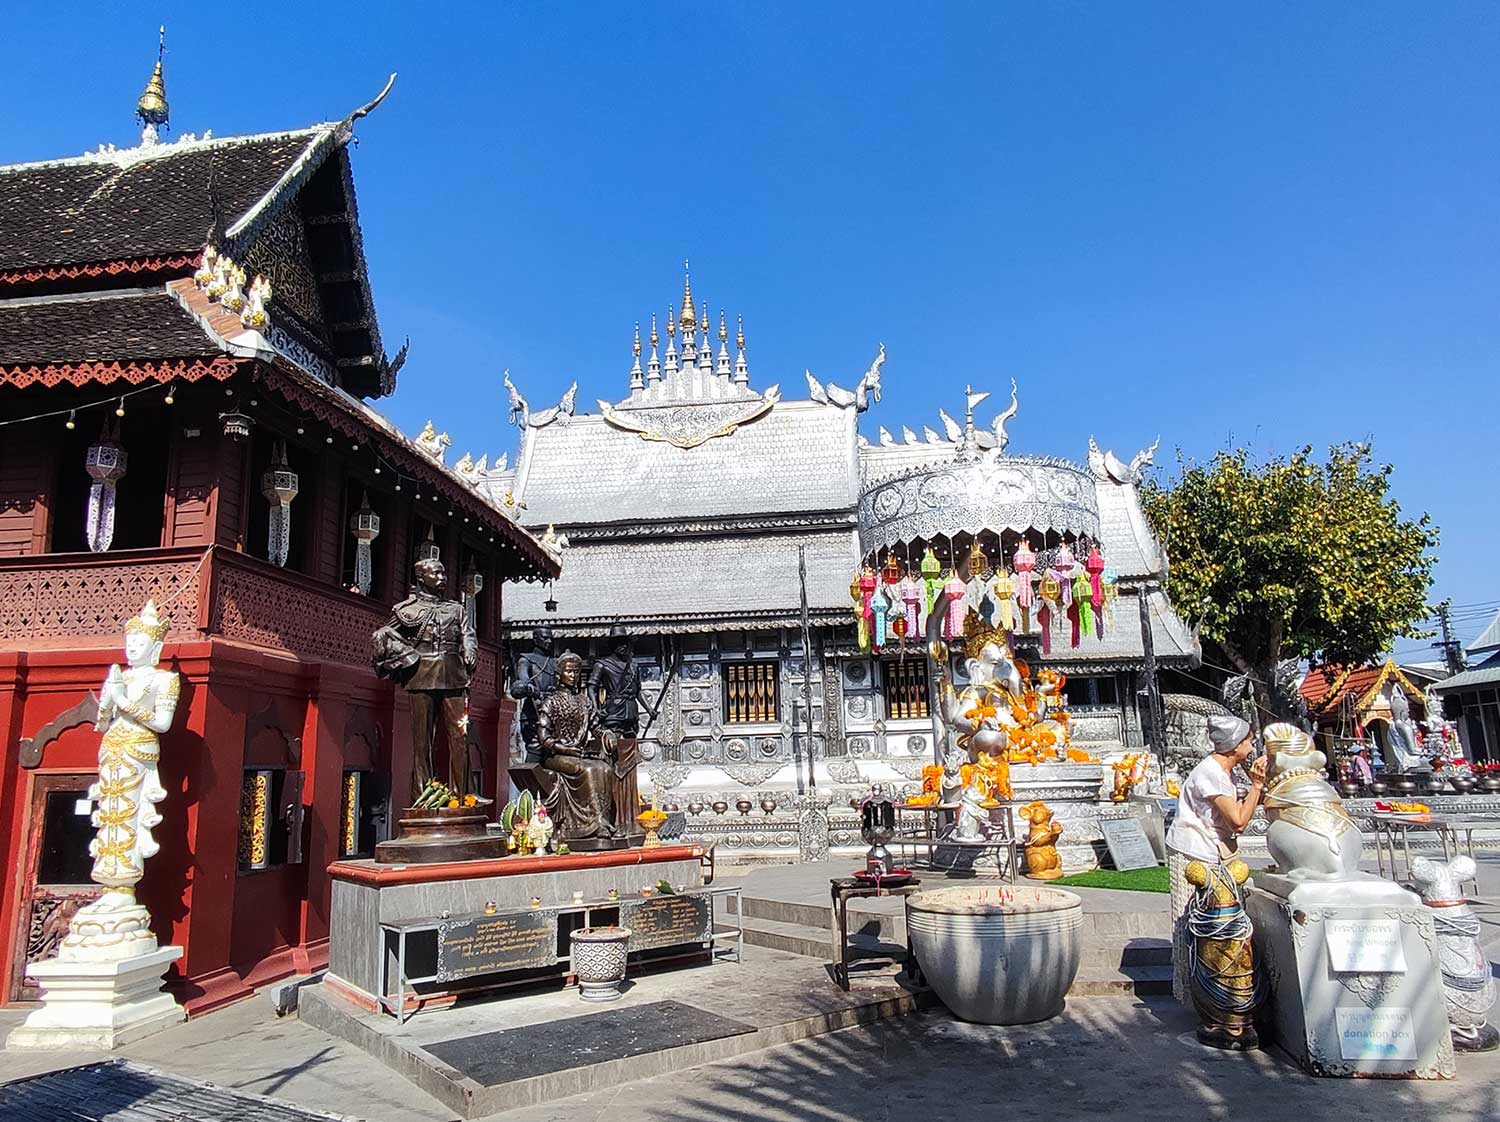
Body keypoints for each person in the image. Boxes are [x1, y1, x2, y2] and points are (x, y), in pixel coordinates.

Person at [1164, 714, 1267, 1006]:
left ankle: (1217, 986)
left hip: (1213, 850)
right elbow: (1237, 822)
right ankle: (1198, 991)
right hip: (1194, 853)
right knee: (1196, 921)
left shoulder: (1225, 772)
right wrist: (1257, 786)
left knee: (1217, 920)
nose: (1251, 744)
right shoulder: (1210, 772)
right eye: (1247, 740)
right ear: (1234, 746)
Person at [372, 558, 478, 802]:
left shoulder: (456, 609)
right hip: (421, 675)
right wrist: (403, 657)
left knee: (461, 735)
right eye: (436, 573)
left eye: (443, 573)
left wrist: (470, 651)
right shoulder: (405, 611)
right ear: (421, 578)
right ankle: (424, 795)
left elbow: (468, 634)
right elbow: (384, 636)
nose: (442, 578)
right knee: (422, 742)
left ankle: (467, 793)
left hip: (454, 676)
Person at [537, 652, 620, 848]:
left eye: (576, 671)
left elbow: (595, 726)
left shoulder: (584, 702)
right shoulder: (550, 702)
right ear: (559, 674)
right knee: (590, 770)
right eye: (568, 671)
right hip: (556, 755)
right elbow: (544, 739)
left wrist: (606, 734)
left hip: (578, 754)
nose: (573, 675)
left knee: (605, 769)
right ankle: (595, 824)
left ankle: (602, 822)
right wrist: (564, 749)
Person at [588, 626, 649, 839]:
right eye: (621, 642)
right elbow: (592, 687)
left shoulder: (634, 666)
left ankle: (630, 814)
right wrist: (595, 708)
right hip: (613, 713)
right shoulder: (602, 665)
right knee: (612, 759)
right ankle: (612, 814)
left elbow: (638, 691)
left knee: (629, 756)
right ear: (613, 645)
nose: (625, 646)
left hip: (631, 713)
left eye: (627, 643)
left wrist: (649, 709)